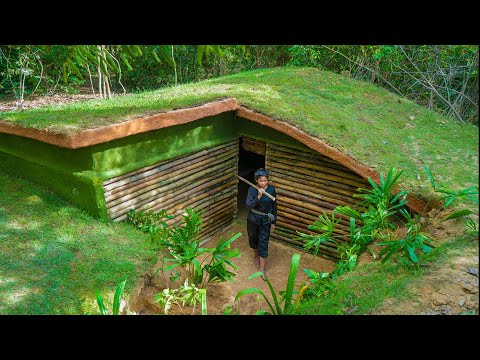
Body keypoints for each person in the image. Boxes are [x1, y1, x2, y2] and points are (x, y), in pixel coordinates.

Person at [246, 168, 277, 280]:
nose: (263, 183)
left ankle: (262, 269)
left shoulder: (272, 190)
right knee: (253, 239)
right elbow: (249, 206)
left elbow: (274, 206)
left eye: (265, 180)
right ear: (256, 181)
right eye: (261, 181)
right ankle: (255, 255)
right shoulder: (252, 190)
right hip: (253, 219)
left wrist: (273, 221)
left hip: (265, 221)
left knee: (263, 243)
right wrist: (258, 196)